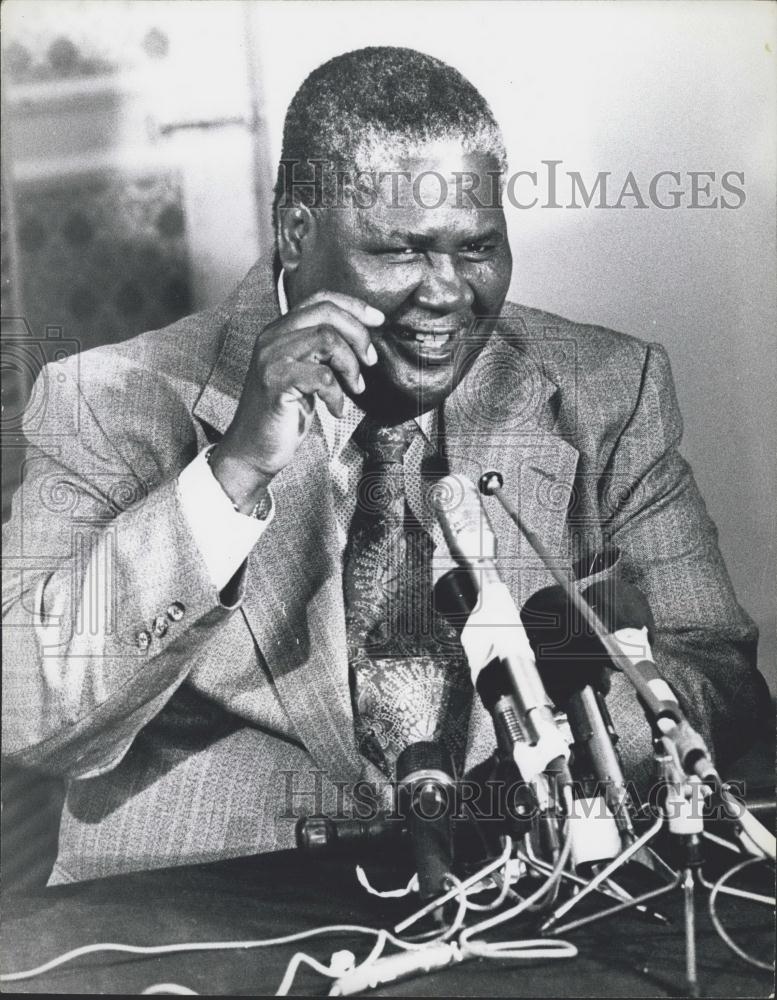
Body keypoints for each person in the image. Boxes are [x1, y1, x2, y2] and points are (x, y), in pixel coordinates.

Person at [2, 47, 768, 884]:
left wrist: (539, 775)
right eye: (402, 251)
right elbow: (27, 711)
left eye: (477, 248)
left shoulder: (607, 391)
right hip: (210, 901)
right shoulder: (107, 399)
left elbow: (715, 675)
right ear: (296, 233)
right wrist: (232, 474)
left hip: (529, 884)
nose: (445, 292)